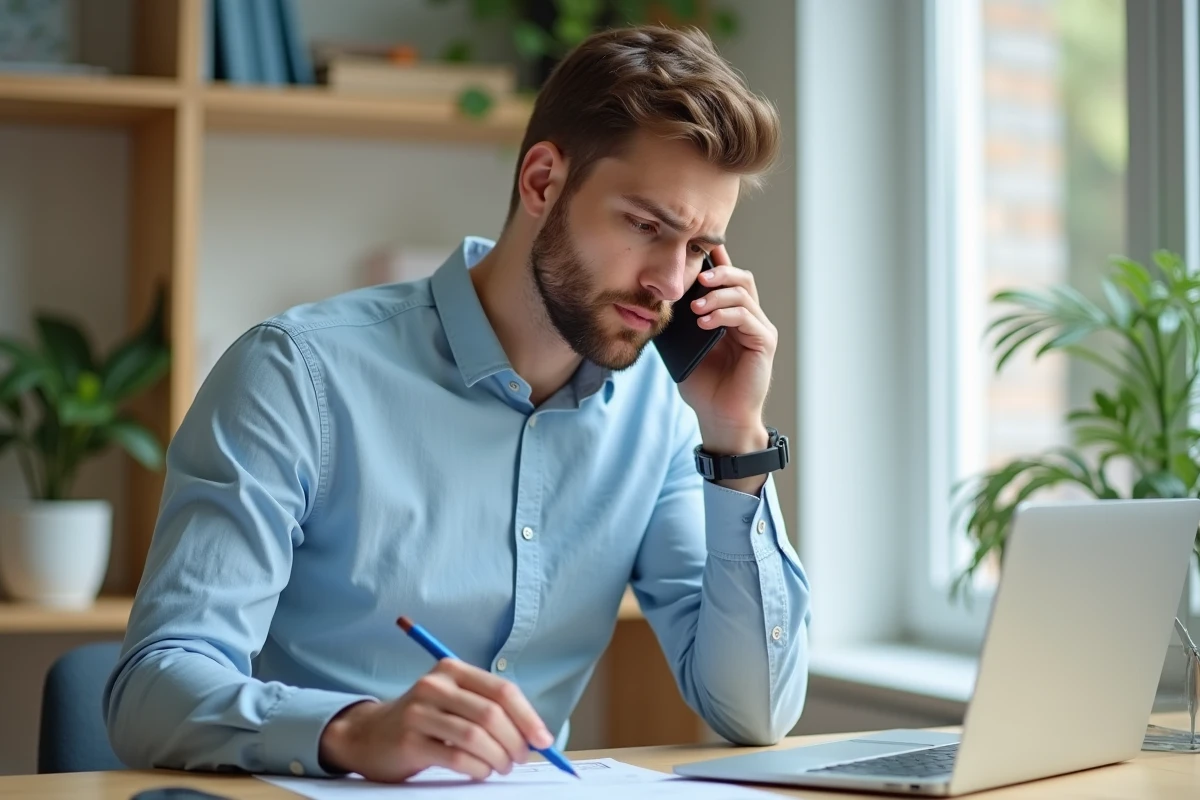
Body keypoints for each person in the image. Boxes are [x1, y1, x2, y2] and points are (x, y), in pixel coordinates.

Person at [104, 24, 811, 784]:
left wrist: (736, 441)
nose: (673, 282)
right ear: (542, 182)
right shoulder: (297, 376)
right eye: (646, 227)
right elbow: (150, 690)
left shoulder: (662, 416)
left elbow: (755, 712)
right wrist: (355, 730)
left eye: (702, 249)